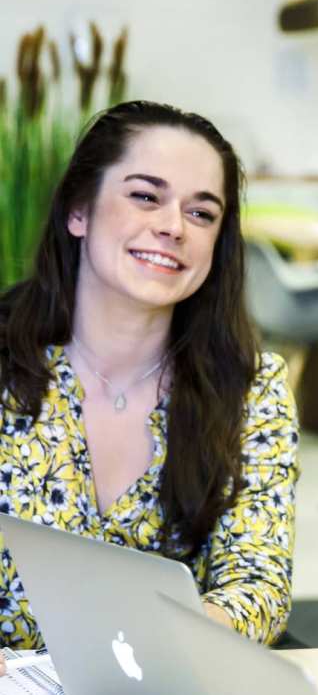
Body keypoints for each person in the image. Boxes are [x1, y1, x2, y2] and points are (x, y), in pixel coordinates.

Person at [0, 100, 299, 654]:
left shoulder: (251, 386)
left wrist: (165, 650)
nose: (172, 227)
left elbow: (256, 585)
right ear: (79, 210)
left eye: (201, 213)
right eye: (145, 196)